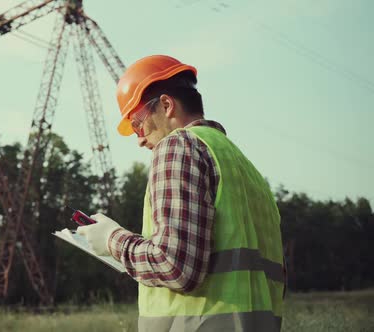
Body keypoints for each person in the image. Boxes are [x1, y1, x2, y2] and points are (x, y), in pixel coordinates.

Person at [77, 55, 285, 332]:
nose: (138, 139)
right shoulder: (242, 166)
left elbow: (175, 266)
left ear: (166, 105)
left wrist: (111, 239)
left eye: (137, 123)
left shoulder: (178, 146)